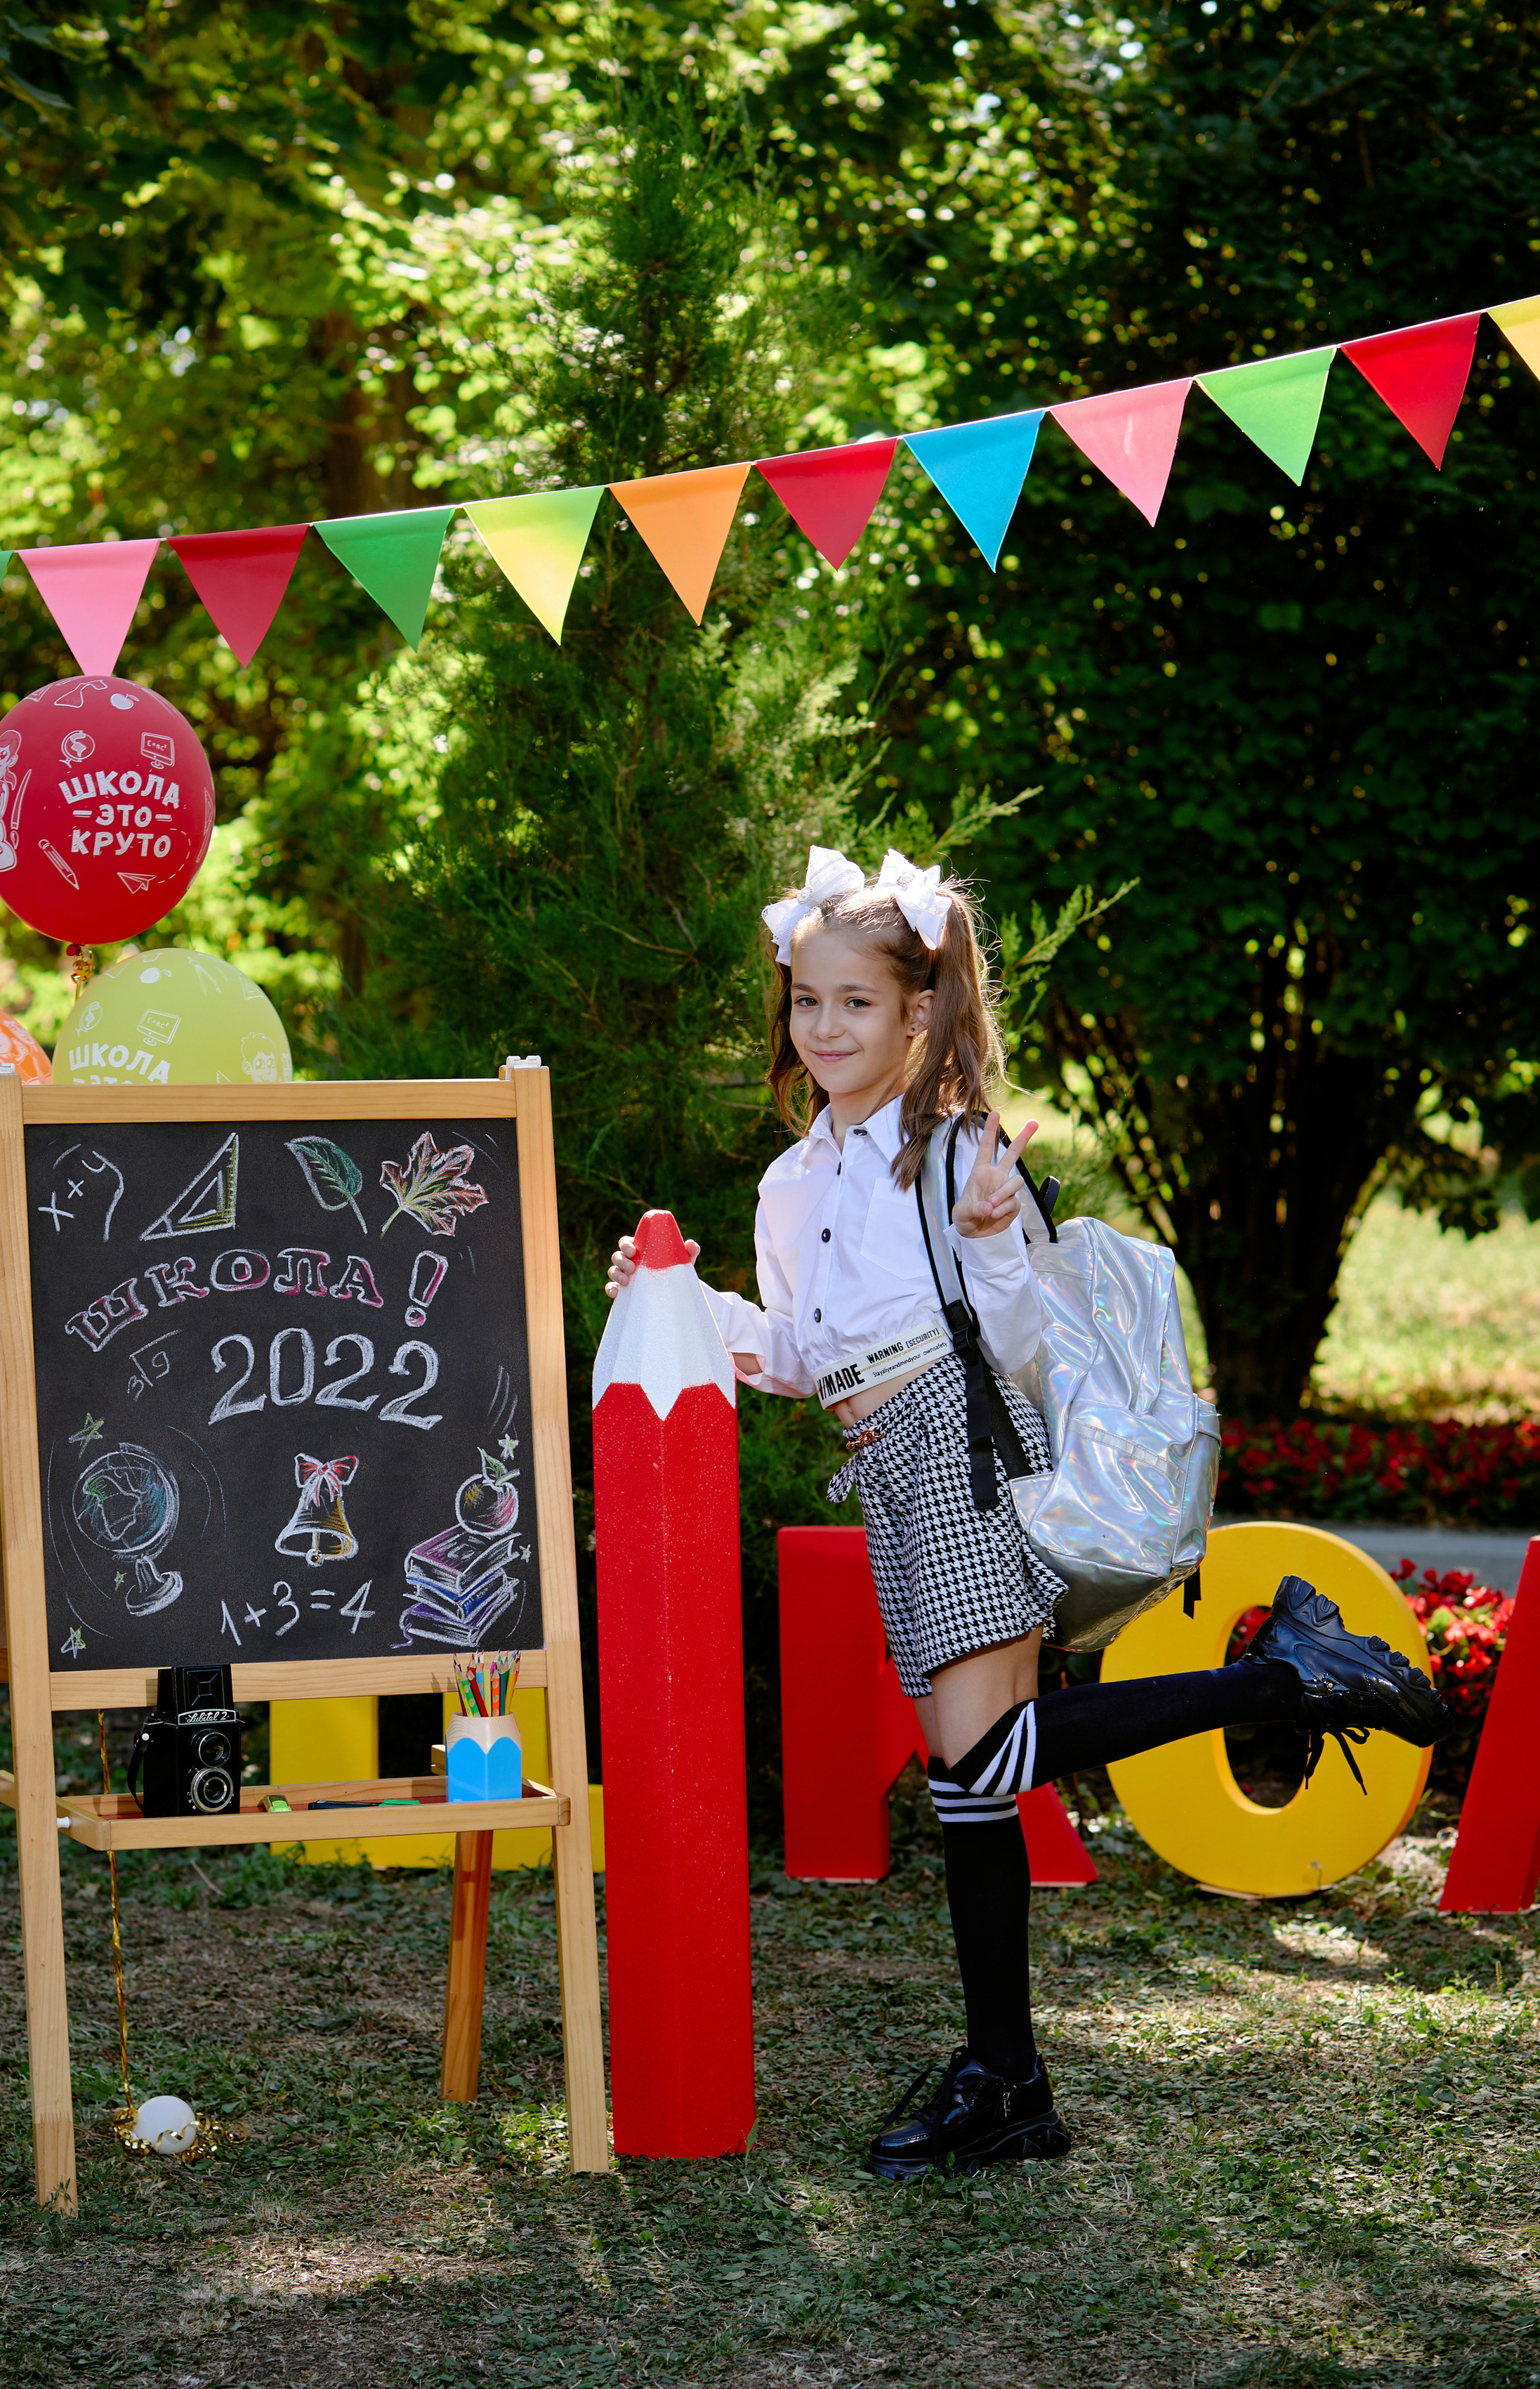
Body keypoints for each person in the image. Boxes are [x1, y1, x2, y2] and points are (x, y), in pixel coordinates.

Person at [605, 844, 1444, 2181]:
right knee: (974, 1785)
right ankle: (1011, 2086)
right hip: (884, 1462)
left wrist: (997, 1238)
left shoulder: (951, 1152)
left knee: (983, 1761)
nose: (825, 1027)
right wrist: (687, 1304)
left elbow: (1016, 1343)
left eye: (857, 1003)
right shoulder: (792, 1182)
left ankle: (1282, 1679)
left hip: (961, 1445)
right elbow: (807, 1358)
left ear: (919, 1013)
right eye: (807, 1001)